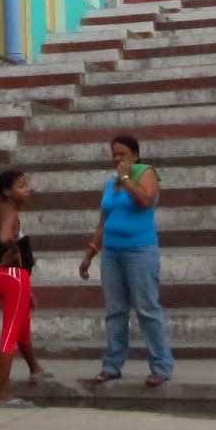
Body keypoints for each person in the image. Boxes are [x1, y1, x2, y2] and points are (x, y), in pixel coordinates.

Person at [78, 134, 174, 388]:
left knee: (147, 308)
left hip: (140, 251)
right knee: (115, 311)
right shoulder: (110, 185)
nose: (117, 159)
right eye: (114, 155)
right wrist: (90, 254)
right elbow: (103, 223)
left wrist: (126, 178)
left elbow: (145, 200)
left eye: (122, 154)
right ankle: (112, 365)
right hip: (112, 252)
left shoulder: (146, 173)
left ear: (135, 155)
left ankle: (161, 366)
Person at [0, 169, 49, 408]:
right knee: (10, 334)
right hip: (13, 276)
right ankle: (2, 394)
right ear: (7, 191)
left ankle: (35, 369)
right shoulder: (9, 213)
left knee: (22, 328)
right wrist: (13, 252)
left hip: (13, 278)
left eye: (27, 185)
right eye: (21, 186)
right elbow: (5, 238)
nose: (27, 190)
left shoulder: (4, 211)